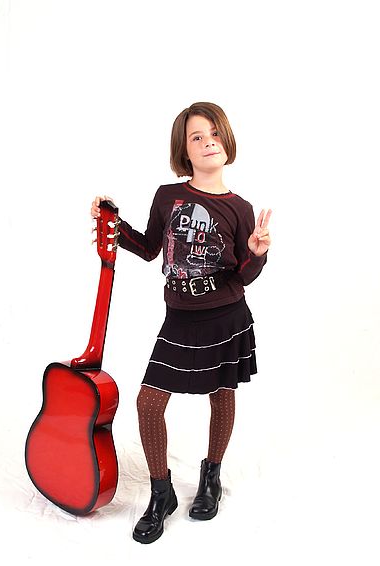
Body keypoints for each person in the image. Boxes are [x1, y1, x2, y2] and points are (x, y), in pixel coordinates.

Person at [90, 101, 272, 543]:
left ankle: (212, 475)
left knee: (221, 393)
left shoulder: (240, 207)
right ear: (184, 151)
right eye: (196, 136)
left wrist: (258, 251)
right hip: (179, 320)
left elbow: (243, 274)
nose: (208, 140)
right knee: (149, 402)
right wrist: (113, 222)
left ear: (226, 141)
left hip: (226, 316)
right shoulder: (168, 196)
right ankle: (161, 492)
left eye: (214, 132)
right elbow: (151, 247)